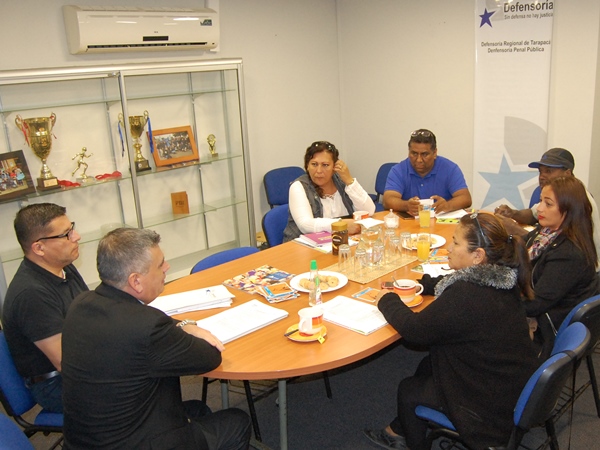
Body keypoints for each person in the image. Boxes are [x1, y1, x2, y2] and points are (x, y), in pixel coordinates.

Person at [61, 227, 251, 450]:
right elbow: (209, 357)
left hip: (85, 440)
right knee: (237, 421)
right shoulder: (146, 326)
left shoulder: (81, 304)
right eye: (160, 264)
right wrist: (191, 328)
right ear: (136, 281)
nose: (167, 268)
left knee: (198, 410)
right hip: (136, 443)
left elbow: (153, 323)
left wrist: (184, 325)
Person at [364, 213, 539, 450]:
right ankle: (398, 429)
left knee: (408, 390)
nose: (449, 247)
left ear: (478, 256)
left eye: (456, 243)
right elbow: (452, 283)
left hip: (489, 409)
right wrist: (423, 285)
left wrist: (387, 300)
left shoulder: (467, 294)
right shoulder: (501, 279)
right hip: (507, 382)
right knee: (427, 365)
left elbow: (415, 331)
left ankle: (407, 440)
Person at [1, 203, 88, 413]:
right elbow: (66, 363)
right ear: (39, 248)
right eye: (66, 234)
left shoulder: (64, 266)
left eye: (72, 228)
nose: (76, 237)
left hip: (83, 360)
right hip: (56, 384)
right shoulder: (31, 294)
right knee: (141, 382)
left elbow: (91, 313)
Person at [523, 176, 598, 356]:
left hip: (544, 333)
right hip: (535, 310)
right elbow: (515, 253)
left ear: (568, 210)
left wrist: (497, 298)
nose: (539, 208)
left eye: (548, 204)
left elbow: (534, 305)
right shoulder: (546, 233)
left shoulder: (570, 254)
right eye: (541, 201)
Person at [495, 147, 600, 265]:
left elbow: (556, 244)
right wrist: (513, 213)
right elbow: (533, 213)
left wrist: (515, 229)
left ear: (568, 174)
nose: (542, 176)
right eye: (540, 171)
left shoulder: (578, 201)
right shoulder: (551, 194)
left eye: (548, 171)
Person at [282, 140, 375, 242]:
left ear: (334, 167)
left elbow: (369, 211)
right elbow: (305, 225)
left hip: (340, 242)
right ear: (307, 166)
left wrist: (350, 181)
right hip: (304, 248)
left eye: (325, 165)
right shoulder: (299, 186)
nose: (319, 170)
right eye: (314, 164)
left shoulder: (342, 181)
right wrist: (341, 225)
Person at [383, 129, 472, 216]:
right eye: (414, 153)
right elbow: (388, 200)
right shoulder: (398, 170)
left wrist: (447, 206)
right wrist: (407, 205)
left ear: (434, 153)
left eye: (424, 154)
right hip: (410, 225)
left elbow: (465, 198)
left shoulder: (450, 169)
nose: (418, 160)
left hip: (442, 224)